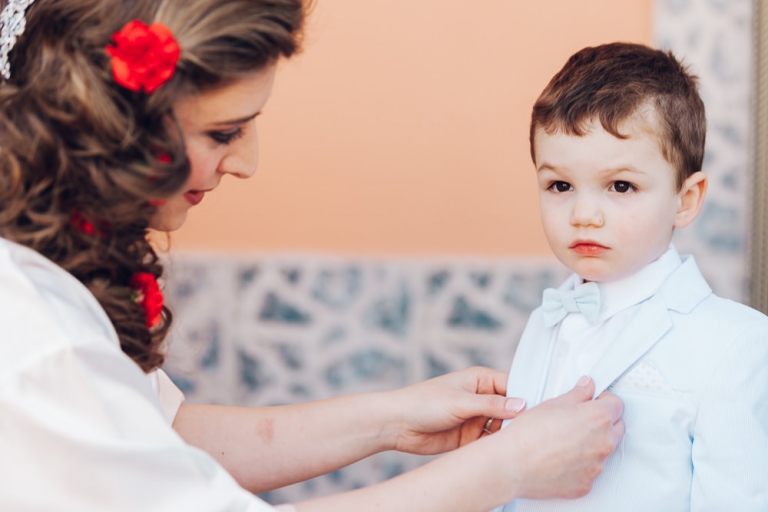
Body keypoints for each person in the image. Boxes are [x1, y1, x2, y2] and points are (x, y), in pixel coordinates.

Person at [0, 1, 626, 511]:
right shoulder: (34, 338)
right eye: (223, 133)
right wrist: (507, 469)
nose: (246, 164)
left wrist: (394, 418)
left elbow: (154, 438)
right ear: (108, 121)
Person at [492, 43, 768, 512]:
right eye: (560, 185)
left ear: (685, 199)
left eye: (621, 186)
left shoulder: (737, 343)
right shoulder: (547, 318)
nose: (583, 215)